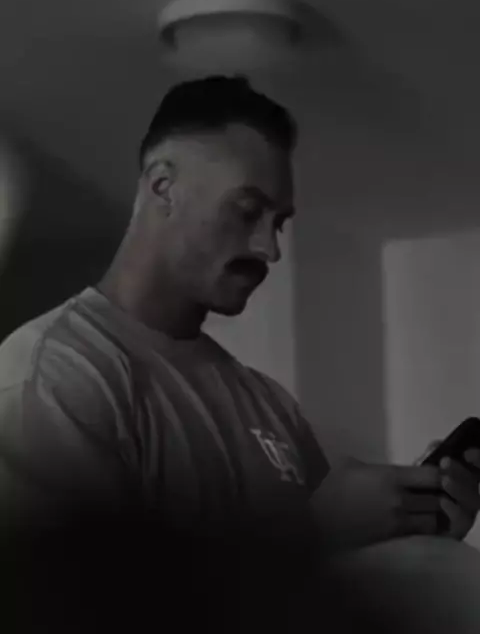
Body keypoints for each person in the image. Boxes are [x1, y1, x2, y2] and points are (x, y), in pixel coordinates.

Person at [0, 74, 479, 545]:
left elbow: (322, 581)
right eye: (247, 211)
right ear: (163, 187)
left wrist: (411, 531)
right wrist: (316, 530)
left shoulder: (270, 405)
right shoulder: (54, 371)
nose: (270, 249)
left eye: (278, 223)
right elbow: (73, 595)